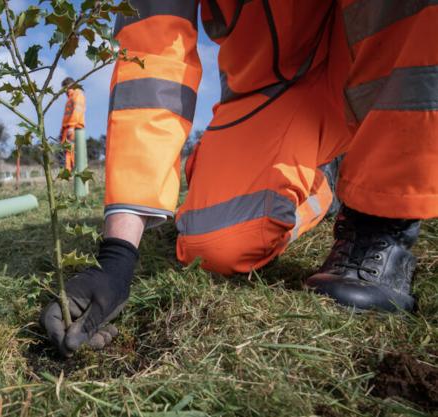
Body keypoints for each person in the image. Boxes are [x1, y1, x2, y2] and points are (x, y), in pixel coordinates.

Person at [43, 1, 437, 357]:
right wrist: (118, 256)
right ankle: (323, 177)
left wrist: (382, 210)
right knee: (216, 245)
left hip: (382, 66)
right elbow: (151, 62)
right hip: (270, 92)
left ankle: (381, 220)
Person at [59, 78, 86, 171]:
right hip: (67, 128)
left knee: (72, 152)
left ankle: (75, 172)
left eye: (64, 88)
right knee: (67, 152)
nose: (64, 91)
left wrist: (71, 127)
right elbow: (66, 116)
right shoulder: (70, 98)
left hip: (74, 128)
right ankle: (68, 172)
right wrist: (62, 131)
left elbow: (77, 111)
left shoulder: (77, 95)